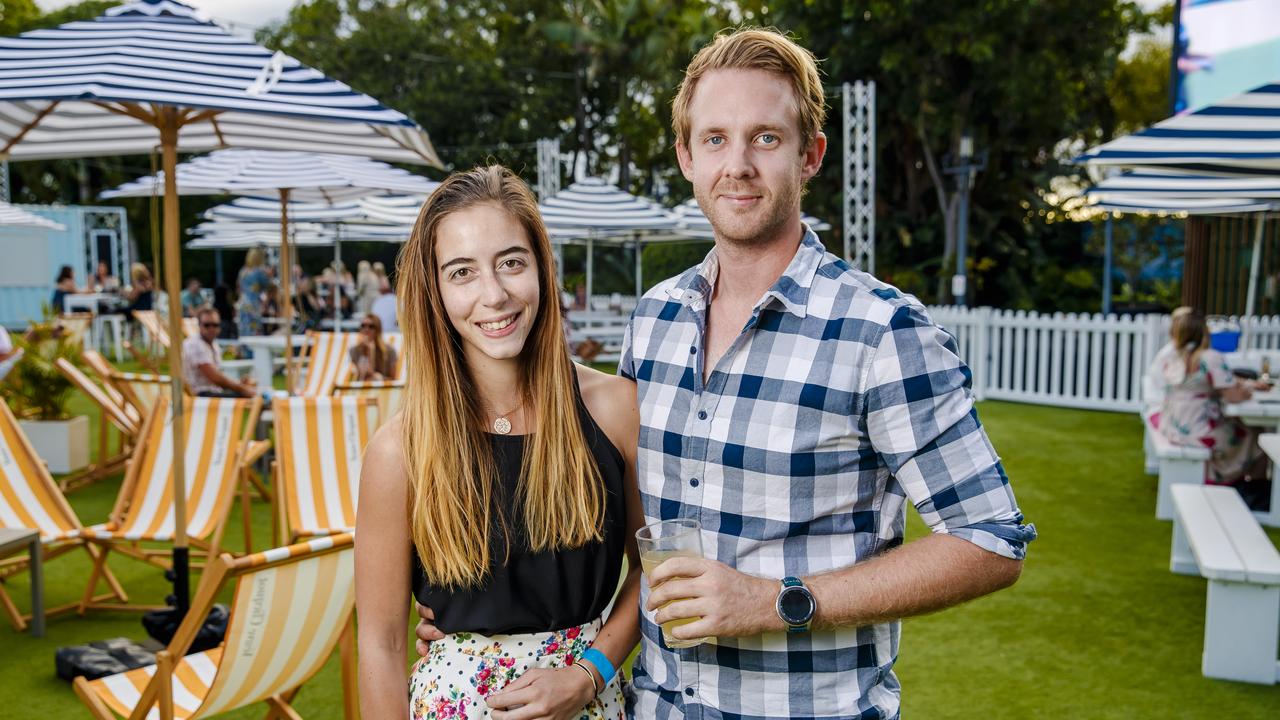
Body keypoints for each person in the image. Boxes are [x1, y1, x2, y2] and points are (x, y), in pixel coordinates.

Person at [416, 28, 1037, 719]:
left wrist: (776, 602)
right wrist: (485, 623)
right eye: (714, 139)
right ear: (686, 156)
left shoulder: (882, 332)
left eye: (765, 138)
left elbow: (990, 539)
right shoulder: (654, 323)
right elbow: (608, 524)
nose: (737, 164)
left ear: (811, 156)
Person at [356, 165, 643, 720]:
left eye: (511, 262)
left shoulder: (613, 410)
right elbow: (383, 645)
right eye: (462, 272)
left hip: (588, 703)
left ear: (541, 266)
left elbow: (652, 570)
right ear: (434, 290)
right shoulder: (400, 452)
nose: (494, 294)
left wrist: (589, 674)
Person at [1157, 310, 1271, 498]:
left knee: (1239, 427)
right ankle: (1253, 491)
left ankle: (1239, 482)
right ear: (1204, 332)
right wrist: (1247, 391)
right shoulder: (1209, 357)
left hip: (1173, 425)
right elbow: (1233, 395)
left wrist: (1241, 385)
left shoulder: (1173, 356)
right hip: (1198, 429)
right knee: (1257, 436)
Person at [181, 307, 256, 398]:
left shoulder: (212, 344)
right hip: (200, 395)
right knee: (251, 395)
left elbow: (218, 378)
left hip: (212, 392)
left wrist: (239, 383)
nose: (211, 328)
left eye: (215, 325)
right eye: (207, 325)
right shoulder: (195, 345)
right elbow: (216, 378)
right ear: (199, 325)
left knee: (252, 390)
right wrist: (241, 388)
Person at [349, 313, 398, 381]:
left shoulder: (389, 351)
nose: (366, 329)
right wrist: (366, 352)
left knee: (376, 378)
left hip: (383, 388)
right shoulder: (354, 350)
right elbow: (360, 376)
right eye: (363, 326)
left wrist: (371, 351)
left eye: (371, 326)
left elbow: (393, 379)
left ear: (378, 329)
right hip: (360, 387)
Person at [236, 248, 270, 337]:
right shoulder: (259, 272)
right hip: (253, 305)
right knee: (255, 331)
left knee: (245, 330)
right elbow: (267, 285)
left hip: (243, 304)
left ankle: (245, 350)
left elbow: (239, 288)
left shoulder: (243, 271)